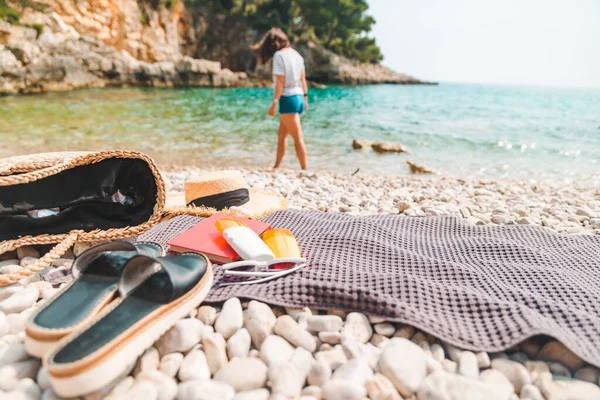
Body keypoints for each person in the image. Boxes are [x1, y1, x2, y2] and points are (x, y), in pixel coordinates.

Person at [253, 28, 308, 170]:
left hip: (288, 99)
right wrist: (305, 99)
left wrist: (274, 103)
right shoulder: (297, 55)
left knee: (297, 137)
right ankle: (276, 167)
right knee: (282, 134)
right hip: (299, 97)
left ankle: (305, 169)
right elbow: (303, 80)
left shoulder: (279, 56)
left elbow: (280, 82)